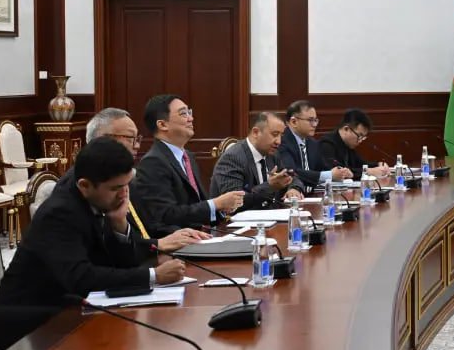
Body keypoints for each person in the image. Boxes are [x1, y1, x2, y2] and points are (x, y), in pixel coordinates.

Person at [0, 138, 188, 350]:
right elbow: (81, 277)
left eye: (127, 185)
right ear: (85, 186)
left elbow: (119, 265)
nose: (124, 194)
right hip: (29, 328)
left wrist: (119, 224)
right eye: (116, 188)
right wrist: (154, 276)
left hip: (70, 314)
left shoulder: (98, 202)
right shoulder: (60, 213)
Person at [76, 107, 209, 250]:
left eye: (137, 139)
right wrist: (157, 245)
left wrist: (179, 233)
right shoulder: (81, 189)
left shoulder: (129, 179)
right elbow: (104, 249)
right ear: (103, 140)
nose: (137, 146)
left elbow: (149, 225)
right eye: (130, 138)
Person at [131, 94, 244, 229]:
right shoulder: (153, 162)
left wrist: (221, 209)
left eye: (189, 112)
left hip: (203, 233)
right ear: (162, 124)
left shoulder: (187, 156)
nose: (191, 118)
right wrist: (216, 204)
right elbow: (166, 215)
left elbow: (196, 205)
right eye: (183, 114)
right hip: (179, 237)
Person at [209, 111, 305, 209]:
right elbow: (234, 204)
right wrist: (269, 186)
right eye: (275, 134)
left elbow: (291, 177)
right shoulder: (233, 158)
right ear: (256, 132)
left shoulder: (272, 154)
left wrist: (294, 188)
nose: (279, 141)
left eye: (281, 135)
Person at [319, 108, 391, 180]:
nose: (360, 141)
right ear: (346, 129)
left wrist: (378, 164)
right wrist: (369, 172)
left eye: (363, 137)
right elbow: (340, 172)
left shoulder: (348, 145)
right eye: (359, 136)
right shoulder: (327, 144)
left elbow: (361, 164)